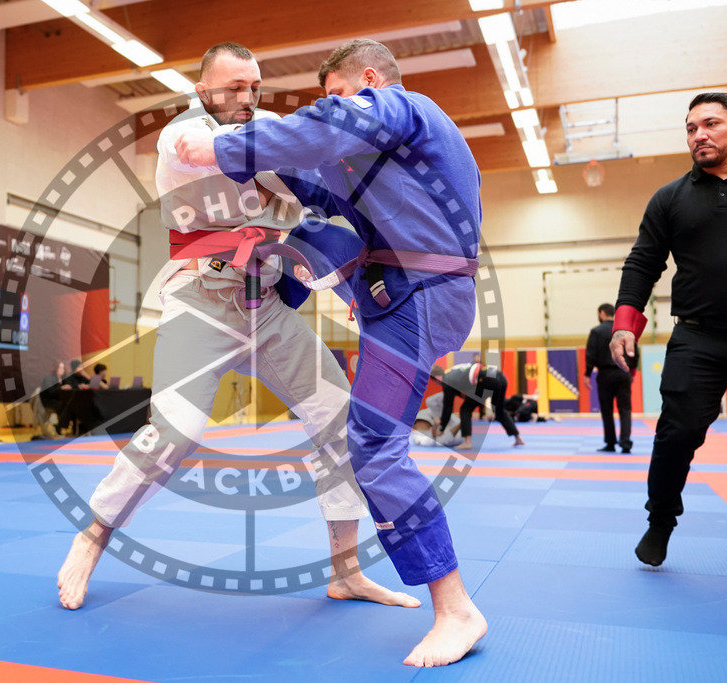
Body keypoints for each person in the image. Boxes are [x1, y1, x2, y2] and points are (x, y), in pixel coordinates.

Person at [57, 42, 419, 618]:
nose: (247, 97)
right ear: (202, 90)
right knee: (174, 432)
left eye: (254, 86)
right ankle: (93, 536)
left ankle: (346, 572)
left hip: (266, 307)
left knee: (338, 418)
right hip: (200, 301)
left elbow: (314, 177)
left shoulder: (271, 129)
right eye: (233, 88)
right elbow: (240, 156)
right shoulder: (182, 138)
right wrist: (299, 157)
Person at [176, 38, 487, 667]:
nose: (335, 107)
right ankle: (270, 302)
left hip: (423, 294)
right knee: (309, 232)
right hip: (396, 290)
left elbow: (331, 128)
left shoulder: (405, 108)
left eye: (339, 95)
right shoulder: (383, 159)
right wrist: (254, 168)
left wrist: (225, 147)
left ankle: (457, 610)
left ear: (370, 80)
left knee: (374, 447)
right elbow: (326, 191)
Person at [608, 92, 727, 586]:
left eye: (711, 124)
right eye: (692, 128)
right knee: (676, 435)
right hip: (698, 338)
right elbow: (643, 262)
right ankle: (660, 523)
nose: (699, 135)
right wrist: (625, 324)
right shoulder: (671, 198)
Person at [585, 303, 638, 453]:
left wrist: (587, 374)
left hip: (605, 374)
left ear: (602, 313)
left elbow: (591, 354)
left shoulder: (596, 331)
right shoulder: (624, 331)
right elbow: (634, 351)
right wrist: (632, 372)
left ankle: (610, 442)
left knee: (607, 410)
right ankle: (625, 443)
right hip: (624, 372)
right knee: (625, 409)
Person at [438, 363, 523, 450]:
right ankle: (518, 438)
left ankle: (467, 442)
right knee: (499, 411)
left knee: (465, 409)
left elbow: (448, 406)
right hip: (501, 377)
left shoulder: (447, 380)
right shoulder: (454, 371)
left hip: (485, 379)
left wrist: (441, 428)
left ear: (437, 377)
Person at [411, 365, 462, 446]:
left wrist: (436, 425)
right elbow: (434, 435)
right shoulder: (440, 439)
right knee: (431, 401)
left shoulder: (422, 436)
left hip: (433, 420)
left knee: (430, 401)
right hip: (450, 429)